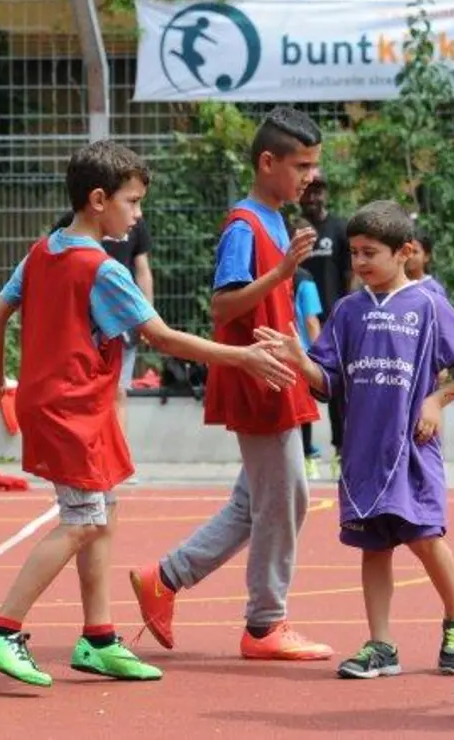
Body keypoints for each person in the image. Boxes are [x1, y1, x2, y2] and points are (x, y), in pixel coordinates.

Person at [0, 141, 298, 687]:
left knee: (104, 514)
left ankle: (98, 638)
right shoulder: (102, 270)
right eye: (133, 201)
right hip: (71, 409)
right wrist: (242, 357)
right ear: (99, 200)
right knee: (84, 521)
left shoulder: (43, 250)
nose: (138, 214)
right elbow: (162, 337)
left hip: (70, 406)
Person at [257, 201, 454, 681]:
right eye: (354, 253)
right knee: (374, 548)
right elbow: (328, 379)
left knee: (424, 537)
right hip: (363, 450)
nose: (360, 263)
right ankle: (381, 644)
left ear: (405, 252)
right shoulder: (348, 312)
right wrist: (299, 360)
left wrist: (436, 400)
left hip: (411, 447)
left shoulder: (429, 304)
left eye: (371, 252)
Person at [129, 105, 334, 662]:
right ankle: (266, 624)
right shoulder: (243, 225)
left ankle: (164, 579)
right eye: (302, 165)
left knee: (256, 503)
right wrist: (278, 275)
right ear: (268, 162)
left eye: (313, 165)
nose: (310, 176)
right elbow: (222, 307)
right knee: (287, 497)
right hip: (257, 377)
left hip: (277, 373)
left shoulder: (274, 219)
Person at [50, 206, 153, 480]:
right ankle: (84, 460)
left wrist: (147, 316)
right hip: (85, 326)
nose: (138, 213)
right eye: (132, 201)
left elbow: (143, 270)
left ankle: (116, 461)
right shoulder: (69, 228)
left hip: (122, 321)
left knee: (118, 393)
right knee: (86, 395)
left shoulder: (133, 229)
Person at [298, 169, 353, 461]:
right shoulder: (292, 229)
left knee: (337, 384)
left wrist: (348, 311)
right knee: (303, 384)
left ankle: (341, 448)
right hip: (301, 319)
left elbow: (350, 275)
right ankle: (304, 450)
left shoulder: (338, 228)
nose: (313, 197)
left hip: (333, 317)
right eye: (308, 190)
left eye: (318, 190)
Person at [288, 217, 325, 475]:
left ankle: (287, 460)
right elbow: (311, 321)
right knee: (303, 410)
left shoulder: (268, 274)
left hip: (274, 350)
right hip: (299, 352)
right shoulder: (305, 279)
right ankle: (307, 456)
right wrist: (319, 355)